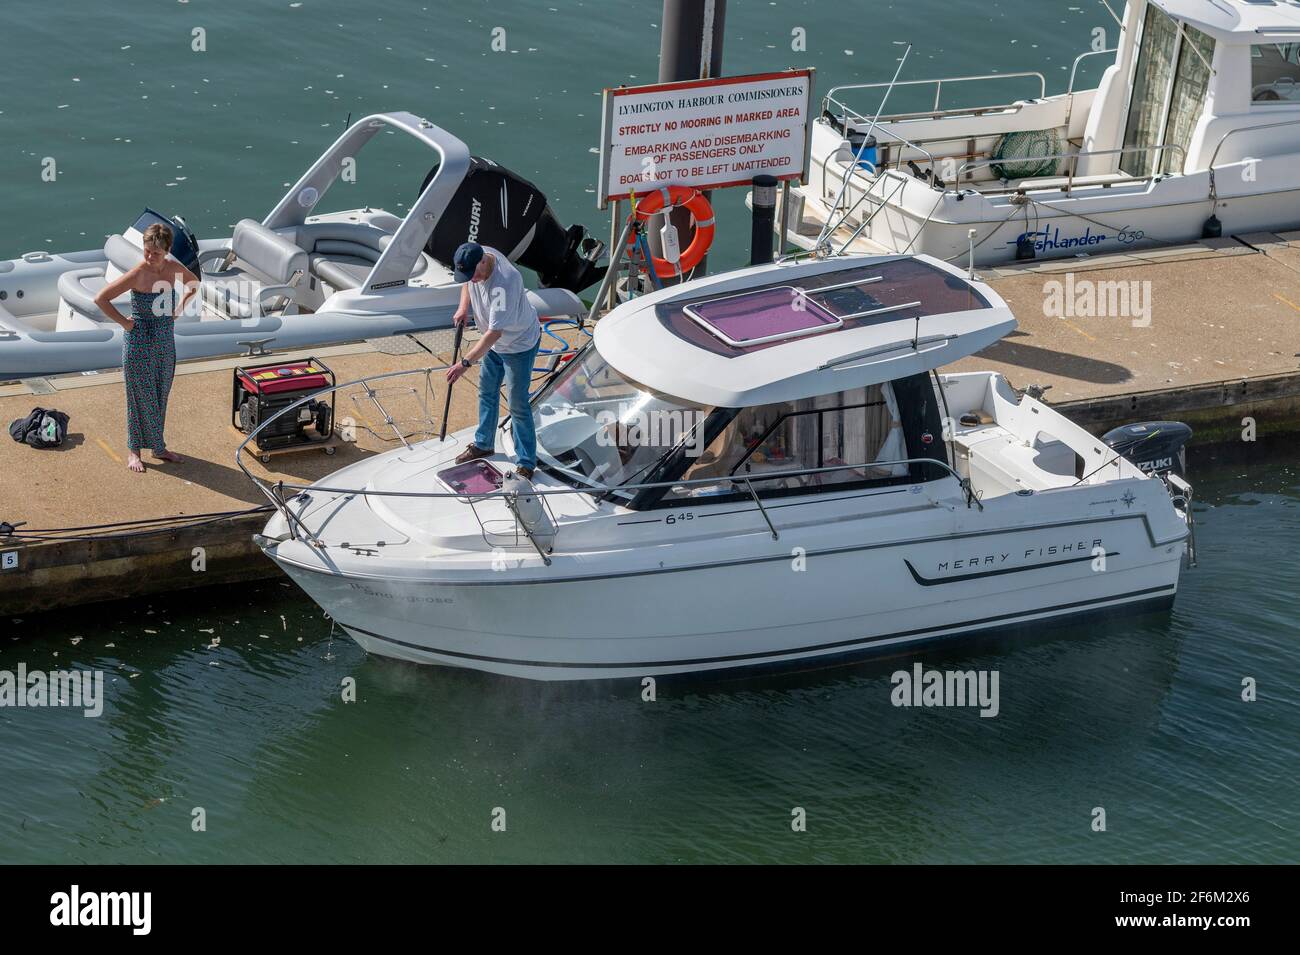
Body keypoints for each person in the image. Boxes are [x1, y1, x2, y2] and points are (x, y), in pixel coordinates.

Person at [94, 223, 201, 473]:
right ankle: (134, 451)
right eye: (147, 251)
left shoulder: (174, 268)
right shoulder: (137, 273)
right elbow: (101, 298)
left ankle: (158, 447)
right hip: (139, 341)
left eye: (156, 252)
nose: (150, 257)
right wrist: (125, 323)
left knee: (160, 393)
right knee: (139, 397)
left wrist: (178, 311)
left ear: (167, 250)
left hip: (165, 339)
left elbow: (194, 284)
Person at [444, 242, 542, 478]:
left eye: (474, 273)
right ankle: (484, 444)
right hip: (495, 345)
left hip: (518, 345)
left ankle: (527, 461)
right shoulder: (478, 255)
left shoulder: (504, 283)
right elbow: (468, 283)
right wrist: (463, 308)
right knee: (486, 392)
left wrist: (464, 364)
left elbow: (493, 333)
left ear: (482, 262)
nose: (473, 278)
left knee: (518, 405)